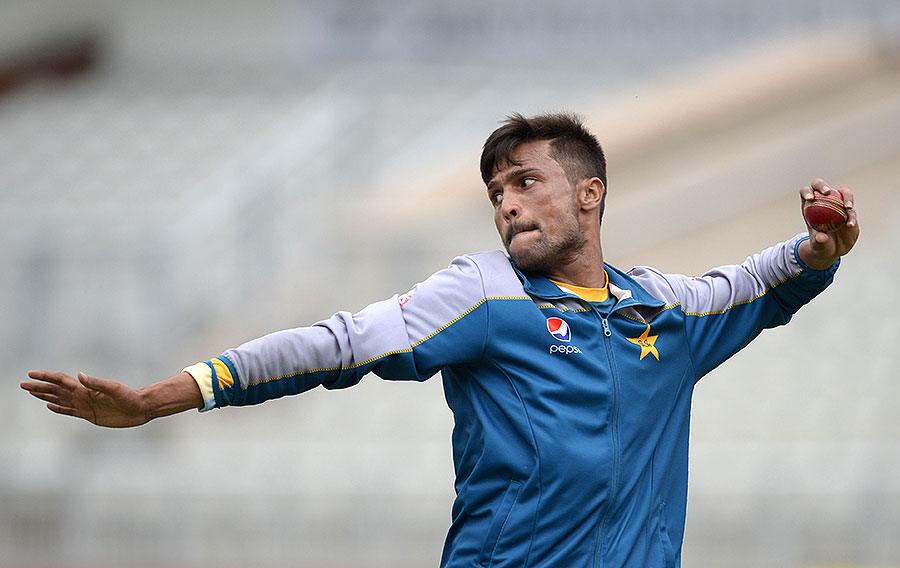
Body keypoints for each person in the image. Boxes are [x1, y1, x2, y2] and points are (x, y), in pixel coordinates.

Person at [21, 112, 859, 567]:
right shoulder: (483, 293)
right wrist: (165, 396)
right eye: (497, 192)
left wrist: (816, 249)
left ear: (591, 194)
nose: (507, 205)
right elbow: (336, 343)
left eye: (526, 182)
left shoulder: (661, 314)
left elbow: (753, 283)